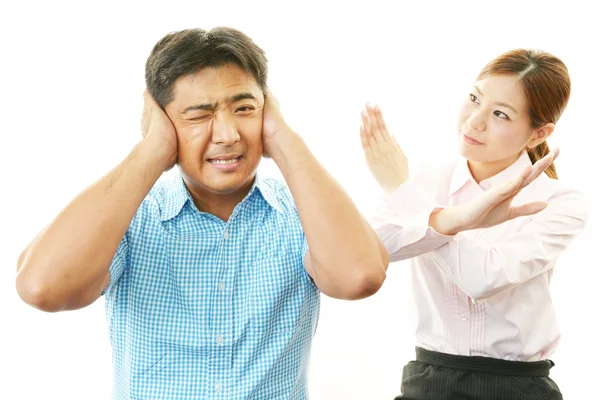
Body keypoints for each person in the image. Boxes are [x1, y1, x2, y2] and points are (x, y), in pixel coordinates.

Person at [15, 27, 389, 400]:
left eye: (245, 108)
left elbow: (360, 277)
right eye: (198, 115)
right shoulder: (132, 217)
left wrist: (284, 140)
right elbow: (42, 288)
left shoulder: (301, 212)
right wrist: (151, 150)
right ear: (161, 118)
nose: (227, 134)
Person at [360, 49, 587, 399]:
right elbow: (366, 254)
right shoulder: (422, 181)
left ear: (538, 133)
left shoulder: (558, 201)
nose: (474, 121)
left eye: (500, 114)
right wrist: (444, 215)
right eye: (473, 98)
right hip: (427, 382)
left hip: (518, 387)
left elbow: (484, 278)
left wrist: (405, 195)